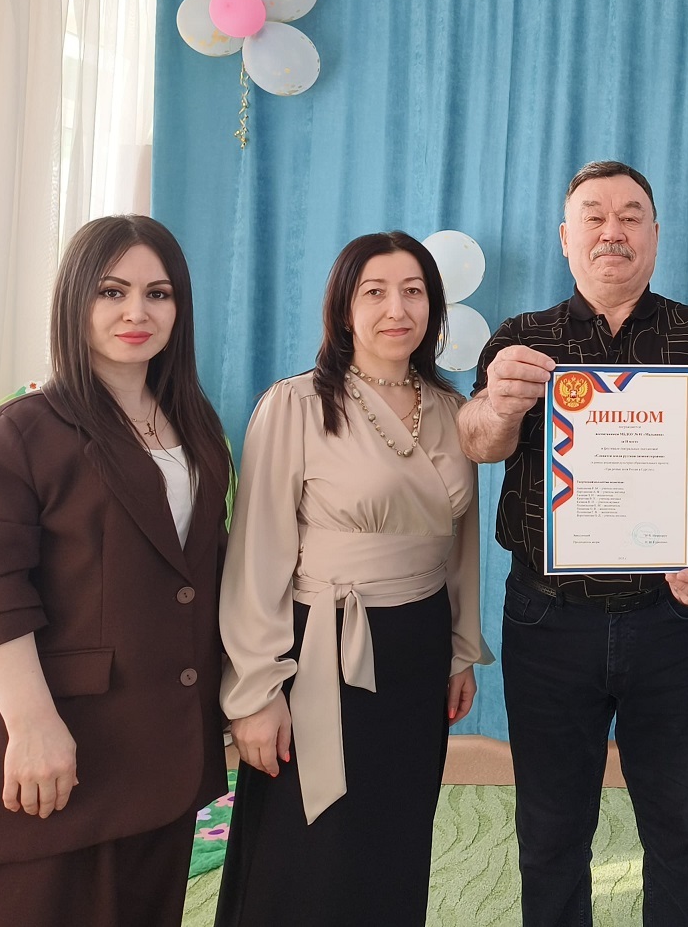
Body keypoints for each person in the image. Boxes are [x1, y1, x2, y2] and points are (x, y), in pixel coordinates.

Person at [459, 160, 688, 927]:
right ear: (566, 237)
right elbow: (478, 440)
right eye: (593, 215)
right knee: (550, 831)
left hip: (670, 615)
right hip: (546, 620)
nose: (611, 230)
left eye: (629, 215)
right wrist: (499, 402)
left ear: (654, 233)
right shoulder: (521, 338)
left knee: (681, 827)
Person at [0, 215, 232, 927]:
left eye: (158, 293)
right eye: (111, 291)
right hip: (52, 741)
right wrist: (33, 725)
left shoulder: (197, 429)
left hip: (161, 748)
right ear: (75, 298)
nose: (137, 312)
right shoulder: (15, 432)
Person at [213, 231, 490, 926]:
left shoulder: (453, 411)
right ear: (343, 308)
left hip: (417, 648)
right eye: (375, 292)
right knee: (309, 845)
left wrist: (460, 649)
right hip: (319, 645)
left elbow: (458, 547)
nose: (397, 308)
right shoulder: (296, 404)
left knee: (395, 835)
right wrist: (254, 692)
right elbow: (256, 555)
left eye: (414, 291)